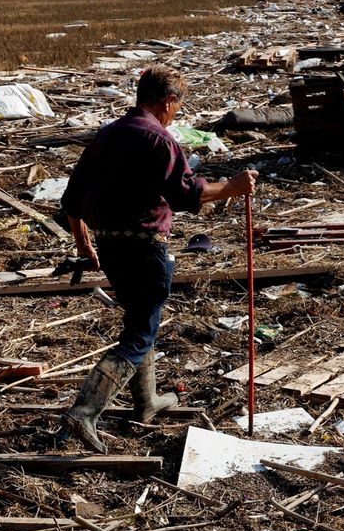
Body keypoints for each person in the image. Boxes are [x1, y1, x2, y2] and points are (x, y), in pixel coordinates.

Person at [59, 66, 257, 453]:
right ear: (168, 102)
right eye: (177, 107)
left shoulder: (106, 134)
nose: (175, 114)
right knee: (138, 335)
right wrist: (231, 187)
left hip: (111, 247)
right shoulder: (158, 138)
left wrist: (85, 246)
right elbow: (185, 194)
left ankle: (146, 401)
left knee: (140, 320)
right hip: (144, 247)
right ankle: (83, 412)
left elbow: (72, 200)